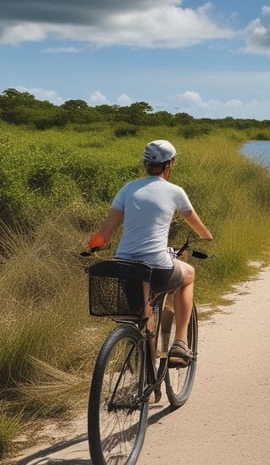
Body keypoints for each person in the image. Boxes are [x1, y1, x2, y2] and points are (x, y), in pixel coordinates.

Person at [88, 139, 213, 365]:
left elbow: (104, 234)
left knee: (144, 313)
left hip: (125, 267)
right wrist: (207, 236)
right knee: (189, 275)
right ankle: (180, 343)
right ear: (170, 163)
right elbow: (197, 225)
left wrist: (96, 244)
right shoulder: (175, 191)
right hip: (158, 268)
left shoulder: (127, 189)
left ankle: (146, 370)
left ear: (146, 163)